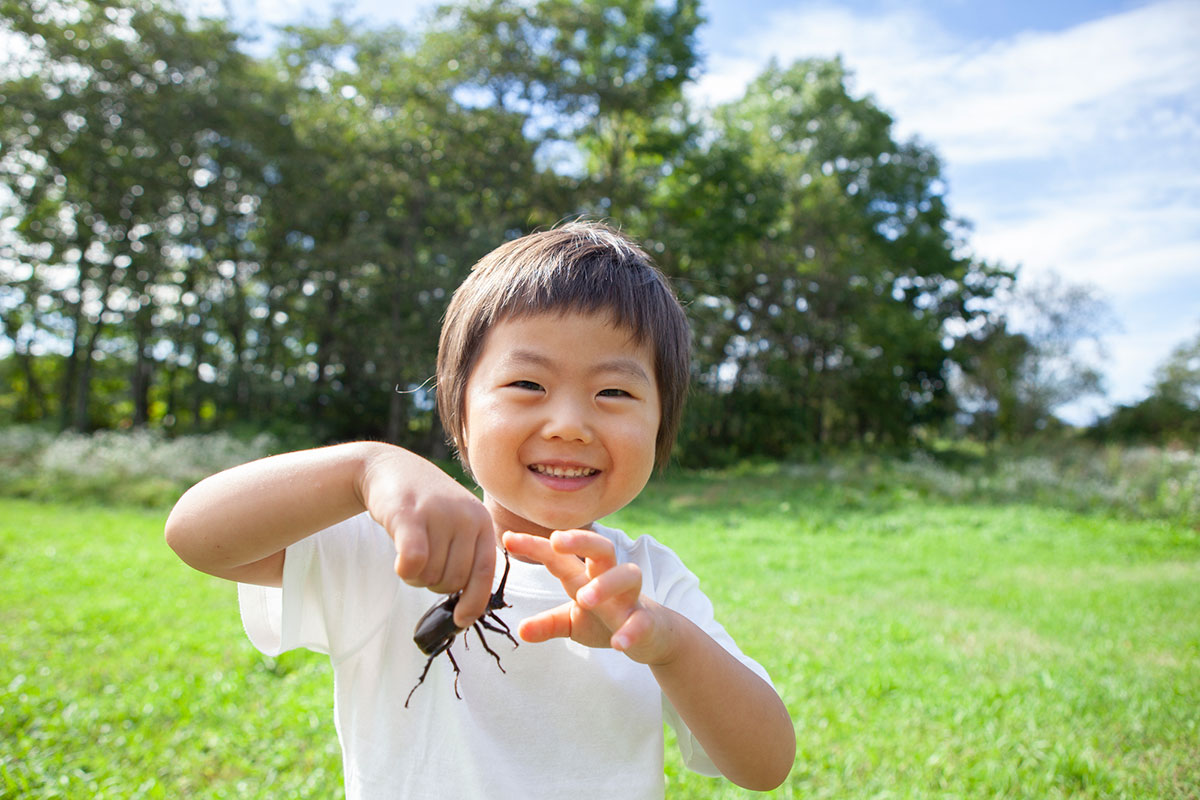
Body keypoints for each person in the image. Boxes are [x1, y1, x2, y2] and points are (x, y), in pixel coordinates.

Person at [165, 221, 796, 798]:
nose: (570, 425)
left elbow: (765, 765)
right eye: (528, 385)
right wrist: (366, 467)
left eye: (614, 391)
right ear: (458, 407)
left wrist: (667, 643)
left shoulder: (648, 583)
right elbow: (196, 534)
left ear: (662, 425)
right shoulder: (395, 549)